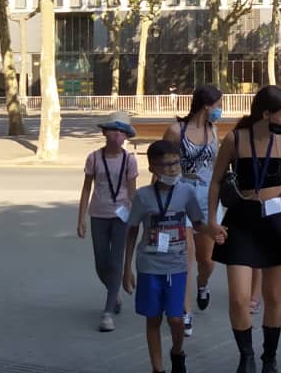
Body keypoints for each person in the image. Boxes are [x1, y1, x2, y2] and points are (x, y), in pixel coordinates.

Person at [208, 85, 281, 373]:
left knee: (272, 295)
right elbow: (216, 181)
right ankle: (247, 356)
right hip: (241, 219)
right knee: (239, 298)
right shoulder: (235, 139)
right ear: (265, 113)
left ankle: (269, 357)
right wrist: (212, 219)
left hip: (275, 218)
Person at [123, 140, 216, 373]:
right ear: (152, 167)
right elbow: (133, 230)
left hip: (176, 265)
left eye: (175, 164)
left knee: (176, 319)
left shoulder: (186, 191)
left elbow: (197, 223)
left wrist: (214, 231)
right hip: (149, 266)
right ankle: (158, 368)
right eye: (165, 165)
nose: (172, 169)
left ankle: (177, 351)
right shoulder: (143, 196)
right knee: (153, 318)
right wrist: (127, 268)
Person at [163, 85, 222, 337]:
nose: (220, 110)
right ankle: (184, 311)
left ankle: (203, 283)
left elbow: (216, 164)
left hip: (207, 197)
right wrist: (177, 174)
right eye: (218, 104)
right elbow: (160, 158)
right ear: (206, 105)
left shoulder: (213, 130)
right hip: (181, 195)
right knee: (185, 257)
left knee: (206, 260)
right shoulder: (177, 131)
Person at [76, 111, 139, 332]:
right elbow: (86, 188)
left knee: (115, 262)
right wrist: (81, 218)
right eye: (113, 129)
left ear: (126, 136)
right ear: (104, 132)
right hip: (98, 214)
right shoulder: (94, 158)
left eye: (122, 132)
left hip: (121, 217)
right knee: (101, 263)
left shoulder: (129, 160)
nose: (116, 135)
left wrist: (136, 217)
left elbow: (132, 192)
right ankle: (114, 292)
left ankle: (108, 311)